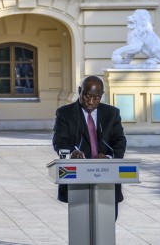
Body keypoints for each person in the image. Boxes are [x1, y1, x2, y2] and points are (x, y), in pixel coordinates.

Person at [52, 75, 127, 217]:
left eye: (96, 97)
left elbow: (120, 141)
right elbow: (59, 141)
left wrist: (110, 157)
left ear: (102, 95)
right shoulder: (65, 113)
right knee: (81, 222)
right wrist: (72, 153)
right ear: (80, 91)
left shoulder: (112, 113)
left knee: (108, 219)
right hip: (78, 178)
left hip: (106, 176)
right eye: (86, 96)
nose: (91, 102)